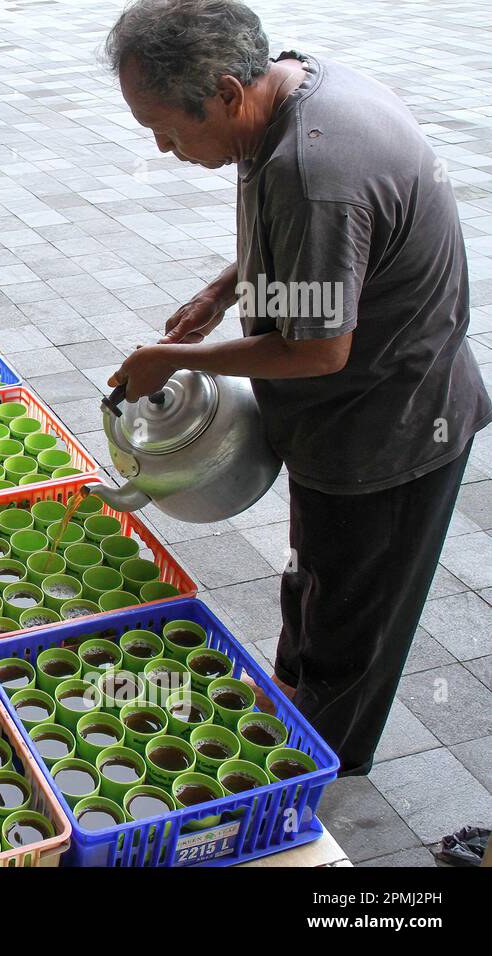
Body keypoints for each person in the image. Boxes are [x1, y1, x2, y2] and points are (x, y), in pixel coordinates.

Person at [102, 0, 491, 775]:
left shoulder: (313, 169)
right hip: (341, 420)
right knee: (316, 576)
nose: (163, 147)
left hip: (389, 428)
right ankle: (290, 698)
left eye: (168, 129)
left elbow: (319, 353)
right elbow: (308, 251)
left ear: (223, 90)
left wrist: (180, 360)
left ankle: (314, 776)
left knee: (350, 621)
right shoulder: (291, 91)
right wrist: (222, 289)